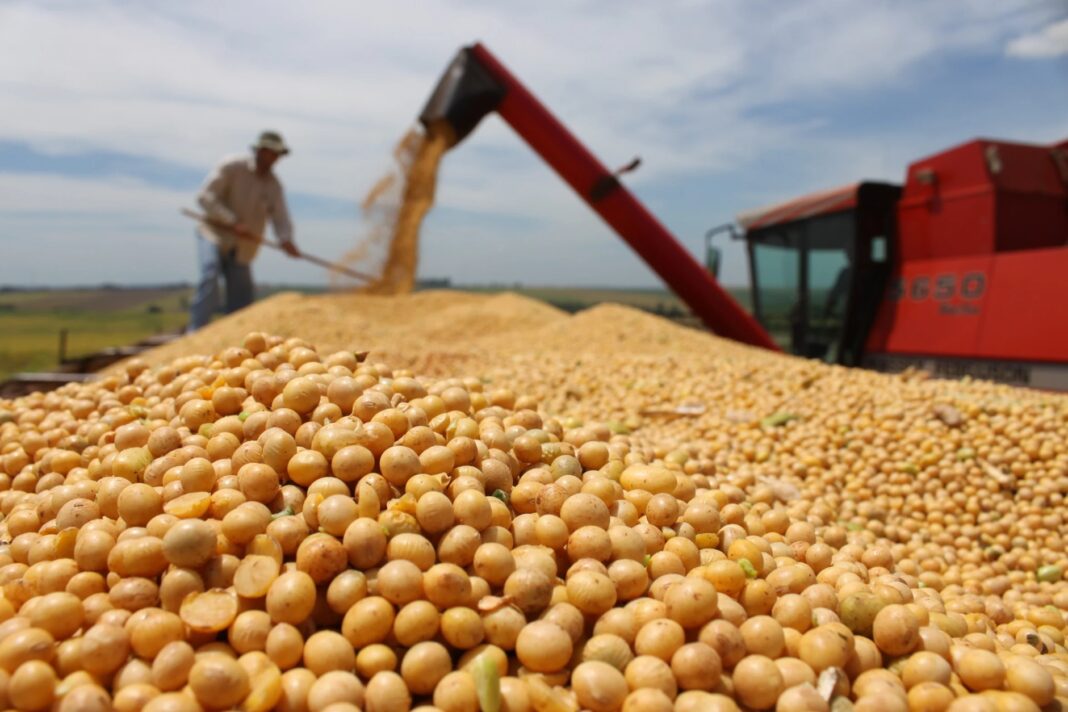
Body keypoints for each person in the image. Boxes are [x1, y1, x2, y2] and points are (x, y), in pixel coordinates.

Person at [187, 130, 300, 331]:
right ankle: (196, 332)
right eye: (270, 153)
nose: (273, 158)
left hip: (244, 245)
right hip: (214, 233)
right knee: (210, 274)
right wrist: (232, 221)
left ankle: (236, 337)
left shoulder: (274, 186)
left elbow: (281, 217)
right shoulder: (233, 167)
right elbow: (205, 197)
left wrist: (286, 239)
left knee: (242, 296)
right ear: (260, 150)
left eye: (276, 155)